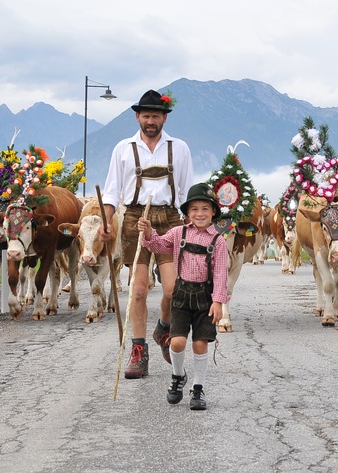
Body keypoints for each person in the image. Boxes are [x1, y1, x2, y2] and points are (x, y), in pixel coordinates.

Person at [99, 90, 194, 379]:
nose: (150, 121)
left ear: (164, 117)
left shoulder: (179, 148)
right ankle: (138, 351)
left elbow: (187, 191)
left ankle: (163, 328)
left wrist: (192, 225)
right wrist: (106, 222)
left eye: (155, 115)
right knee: (138, 290)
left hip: (169, 221)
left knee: (172, 289)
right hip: (134, 220)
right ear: (137, 117)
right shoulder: (123, 148)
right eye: (145, 115)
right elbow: (112, 191)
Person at [137, 183, 229, 410]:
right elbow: (157, 245)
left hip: (205, 299)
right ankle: (178, 376)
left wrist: (218, 302)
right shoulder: (179, 233)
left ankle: (198, 388)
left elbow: (220, 274)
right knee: (176, 342)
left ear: (214, 213)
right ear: (187, 213)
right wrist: (148, 232)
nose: (200, 214)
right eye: (195, 209)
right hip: (180, 297)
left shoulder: (218, 241)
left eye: (205, 209)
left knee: (200, 344)